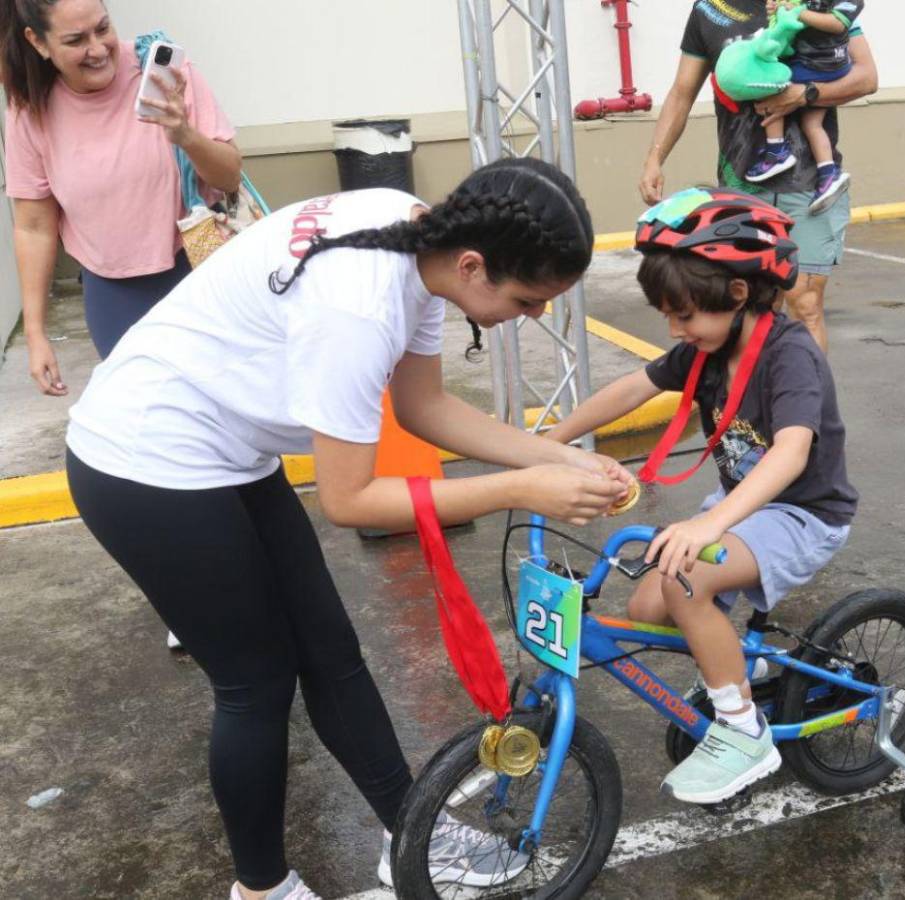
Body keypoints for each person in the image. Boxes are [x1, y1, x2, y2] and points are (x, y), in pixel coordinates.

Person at [65, 158, 631, 900]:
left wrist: (556, 457)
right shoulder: (359, 308)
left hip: (224, 448)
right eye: (528, 301)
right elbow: (352, 499)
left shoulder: (417, 238)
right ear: (474, 266)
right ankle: (262, 889)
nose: (530, 318)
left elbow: (423, 408)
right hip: (145, 460)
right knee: (255, 683)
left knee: (330, 650)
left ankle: (411, 829)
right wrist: (524, 489)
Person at [548, 188, 858, 804]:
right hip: (742, 502)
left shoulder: (788, 354)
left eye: (683, 315)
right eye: (668, 316)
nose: (675, 330)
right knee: (647, 606)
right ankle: (744, 671)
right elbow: (630, 389)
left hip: (802, 511)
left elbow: (791, 452)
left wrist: (709, 523)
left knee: (686, 580)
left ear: (738, 294)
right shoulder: (706, 349)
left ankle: (744, 733)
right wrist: (546, 445)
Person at [2, 0, 240, 392]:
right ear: (39, 43)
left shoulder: (162, 71)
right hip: (113, 292)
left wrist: (185, 136)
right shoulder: (30, 108)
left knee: (231, 405)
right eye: (76, 40)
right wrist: (35, 334)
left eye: (103, 28)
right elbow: (33, 226)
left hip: (197, 267)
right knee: (147, 414)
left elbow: (230, 175)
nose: (97, 49)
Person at [639, 0, 878, 352]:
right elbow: (682, 92)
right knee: (753, 306)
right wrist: (654, 158)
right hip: (743, 181)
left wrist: (803, 95)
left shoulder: (811, 2)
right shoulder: (709, 10)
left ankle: (805, 404)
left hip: (812, 183)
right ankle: (753, 401)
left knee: (806, 303)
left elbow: (866, 76)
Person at [743, 0, 863, 218]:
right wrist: (778, 8)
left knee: (770, 81)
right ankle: (828, 172)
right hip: (823, 65)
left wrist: (796, 12)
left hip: (818, 66)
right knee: (812, 123)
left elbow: (837, 23)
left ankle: (776, 151)